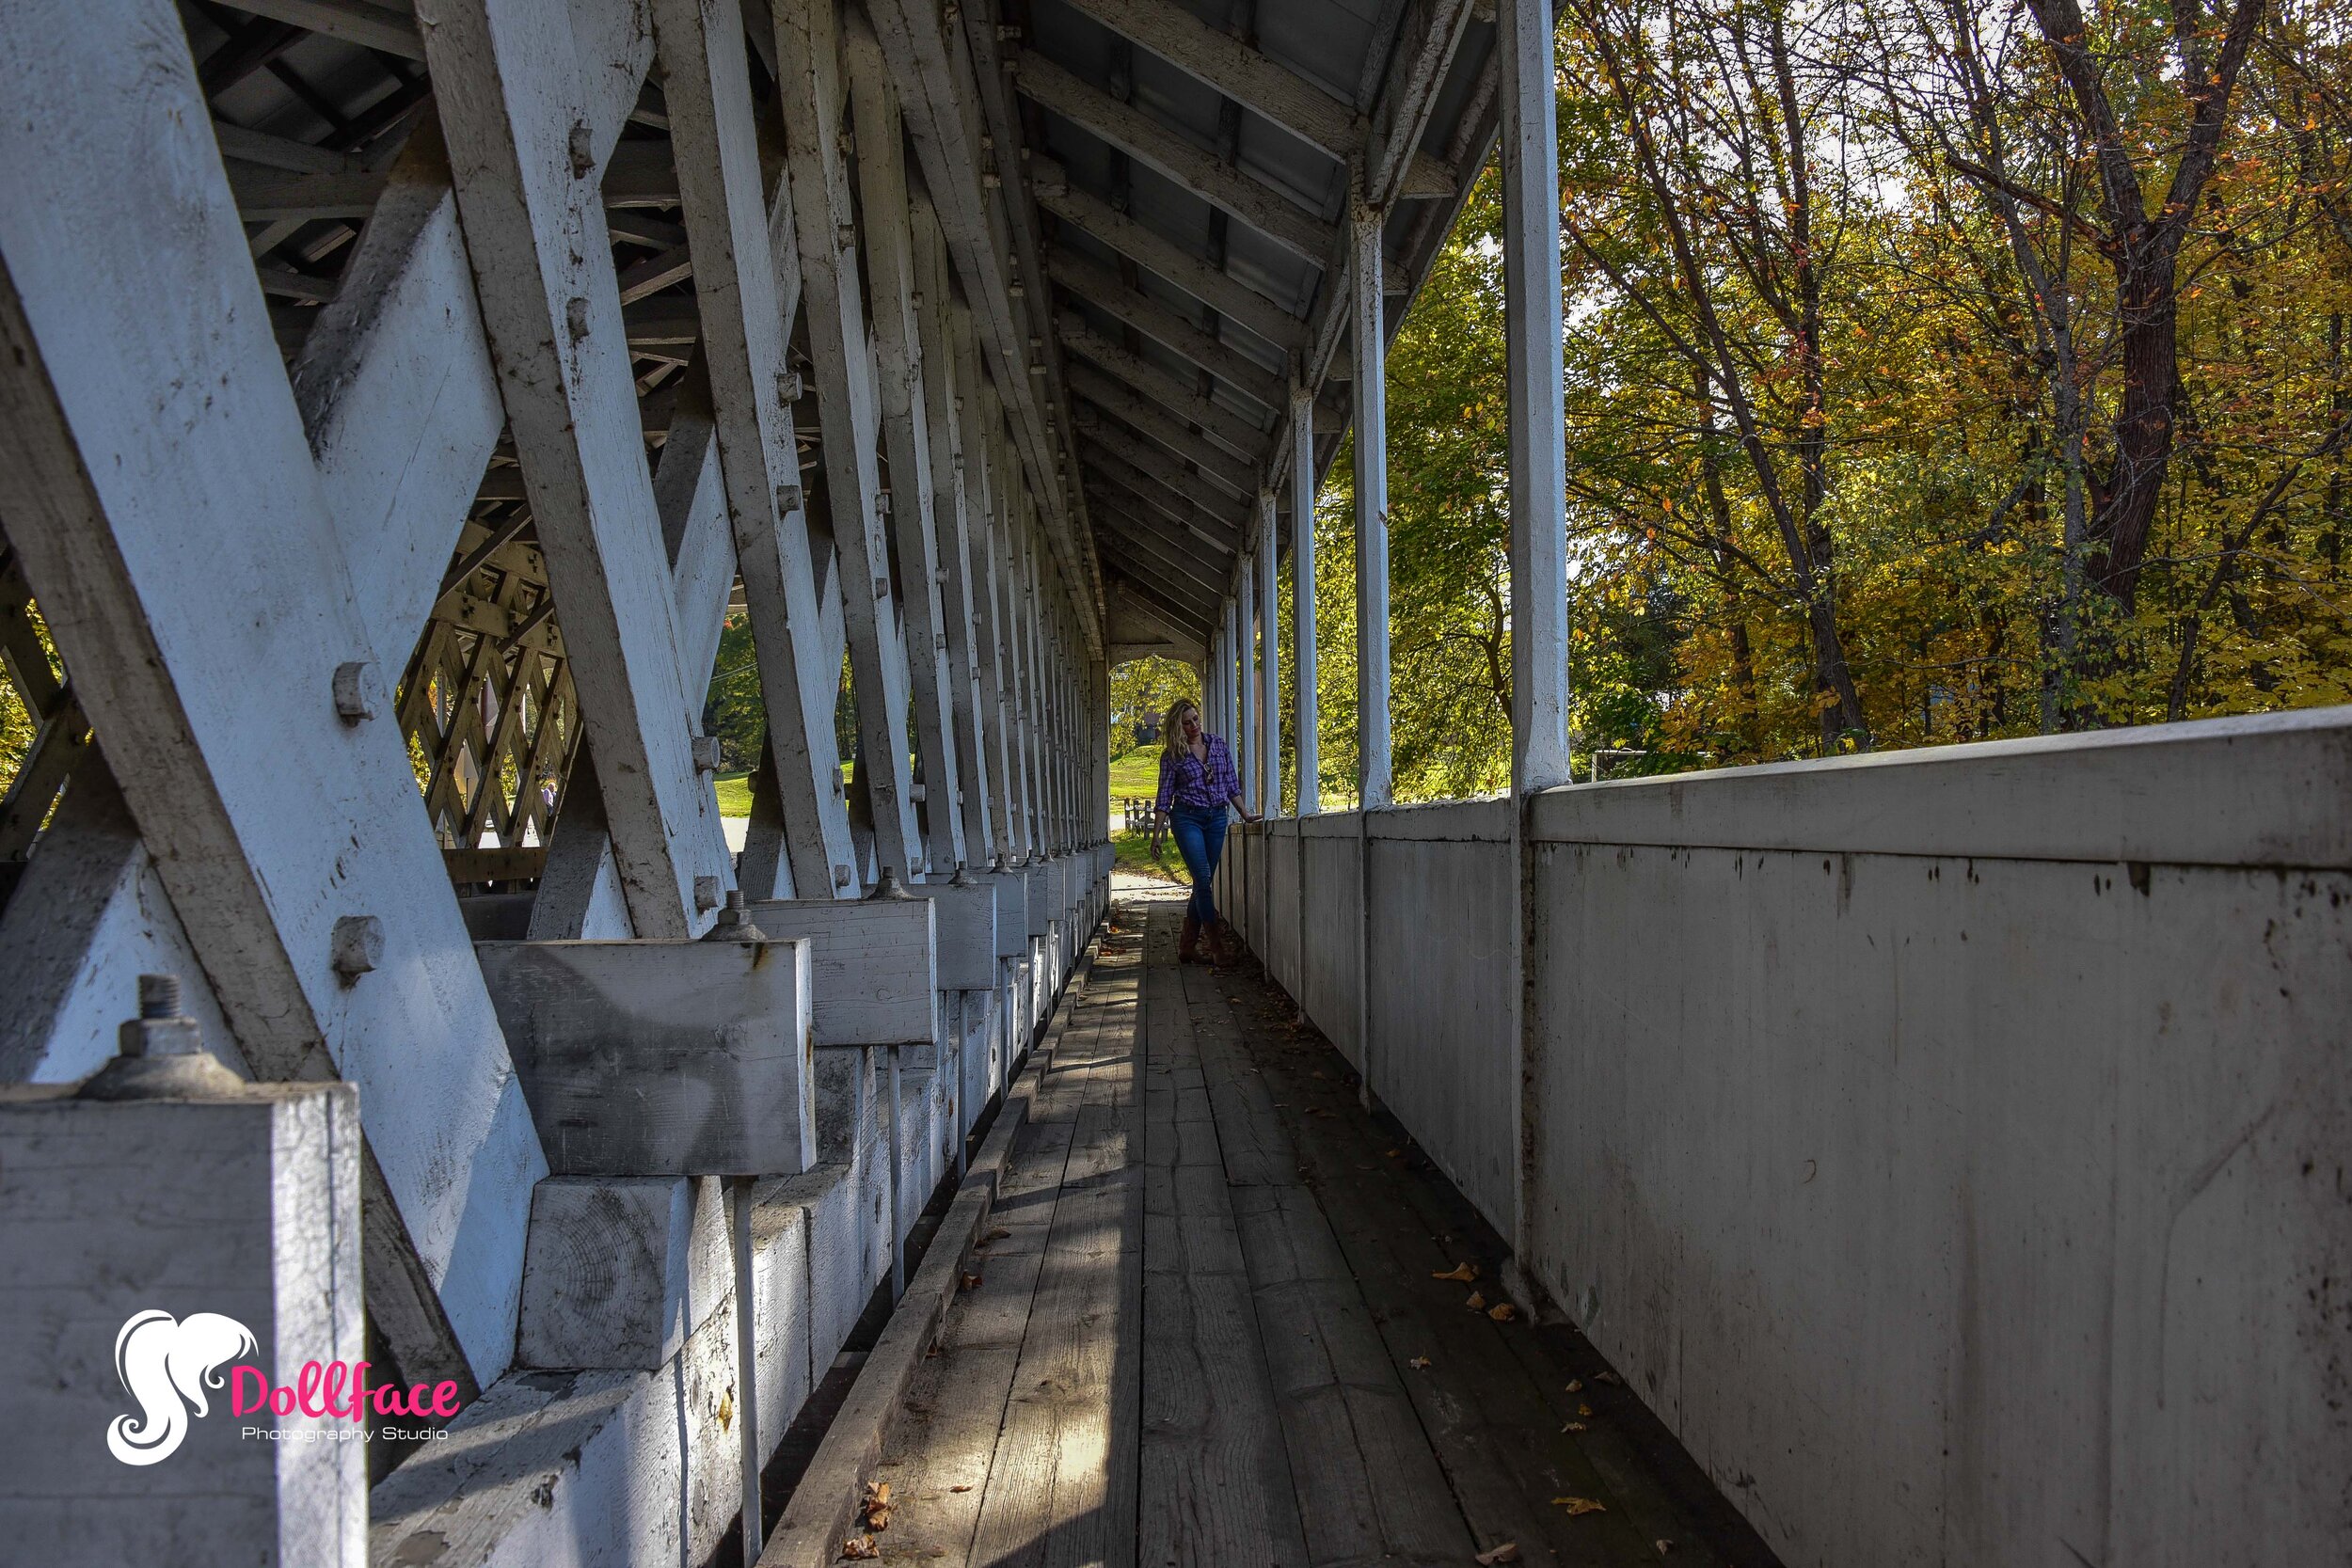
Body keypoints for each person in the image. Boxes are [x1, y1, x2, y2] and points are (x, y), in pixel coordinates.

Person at [1152, 696, 1258, 964]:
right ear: (1178, 727)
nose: (1193, 726)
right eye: (1187, 723)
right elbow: (1164, 796)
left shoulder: (1218, 745)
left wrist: (1244, 813)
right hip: (1187, 818)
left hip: (1217, 819)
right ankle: (1216, 947)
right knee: (1201, 877)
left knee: (1203, 883)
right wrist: (1156, 834)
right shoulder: (1173, 756)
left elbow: (1231, 783)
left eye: (1195, 719)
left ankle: (1187, 947)